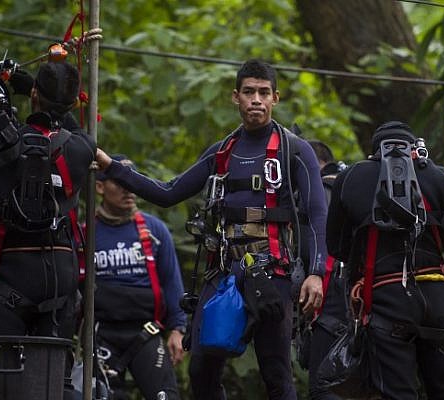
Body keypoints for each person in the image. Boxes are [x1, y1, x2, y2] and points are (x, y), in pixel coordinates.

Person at [96, 59, 327, 399]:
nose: (256, 100)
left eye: (264, 93)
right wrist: (112, 167)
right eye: (249, 92)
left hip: (273, 274)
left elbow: (316, 214)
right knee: (201, 369)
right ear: (236, 97)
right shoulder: (223, 150)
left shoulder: (295, 150)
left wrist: (316, 272)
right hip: (223, 275)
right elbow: (168, 192)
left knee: (276, 372)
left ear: (276, 98)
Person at [326, 121, 444, 399]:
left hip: (385, 299)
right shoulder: (439, 176)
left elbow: (335, 245)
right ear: (414, 150)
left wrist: (360, 260)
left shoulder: (352, 177)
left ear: (374, 153)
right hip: (437, 299)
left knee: (398, 393)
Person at [0, 60, 94, 397]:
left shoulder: (4, 136)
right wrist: (34, 86)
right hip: (60, 279)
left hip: (14, 277)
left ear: (34, 96)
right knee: (53, 383)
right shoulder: (81, 147)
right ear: (74, 104)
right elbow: (70, 124)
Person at [93, 155, 187, 400]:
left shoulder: (154, 230)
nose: (129, 191)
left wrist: (178, 330)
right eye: (120, 184)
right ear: (100, 187)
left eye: (133, 184)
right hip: (101, 334)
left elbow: (172, 283)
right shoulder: (87, 233)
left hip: (146, 332)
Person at [302, 139, 346, 400]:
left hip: (331, 298)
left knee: (323, 386)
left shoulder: (323, 190)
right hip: (362, 297)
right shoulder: (349, 186)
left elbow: (326, 250)